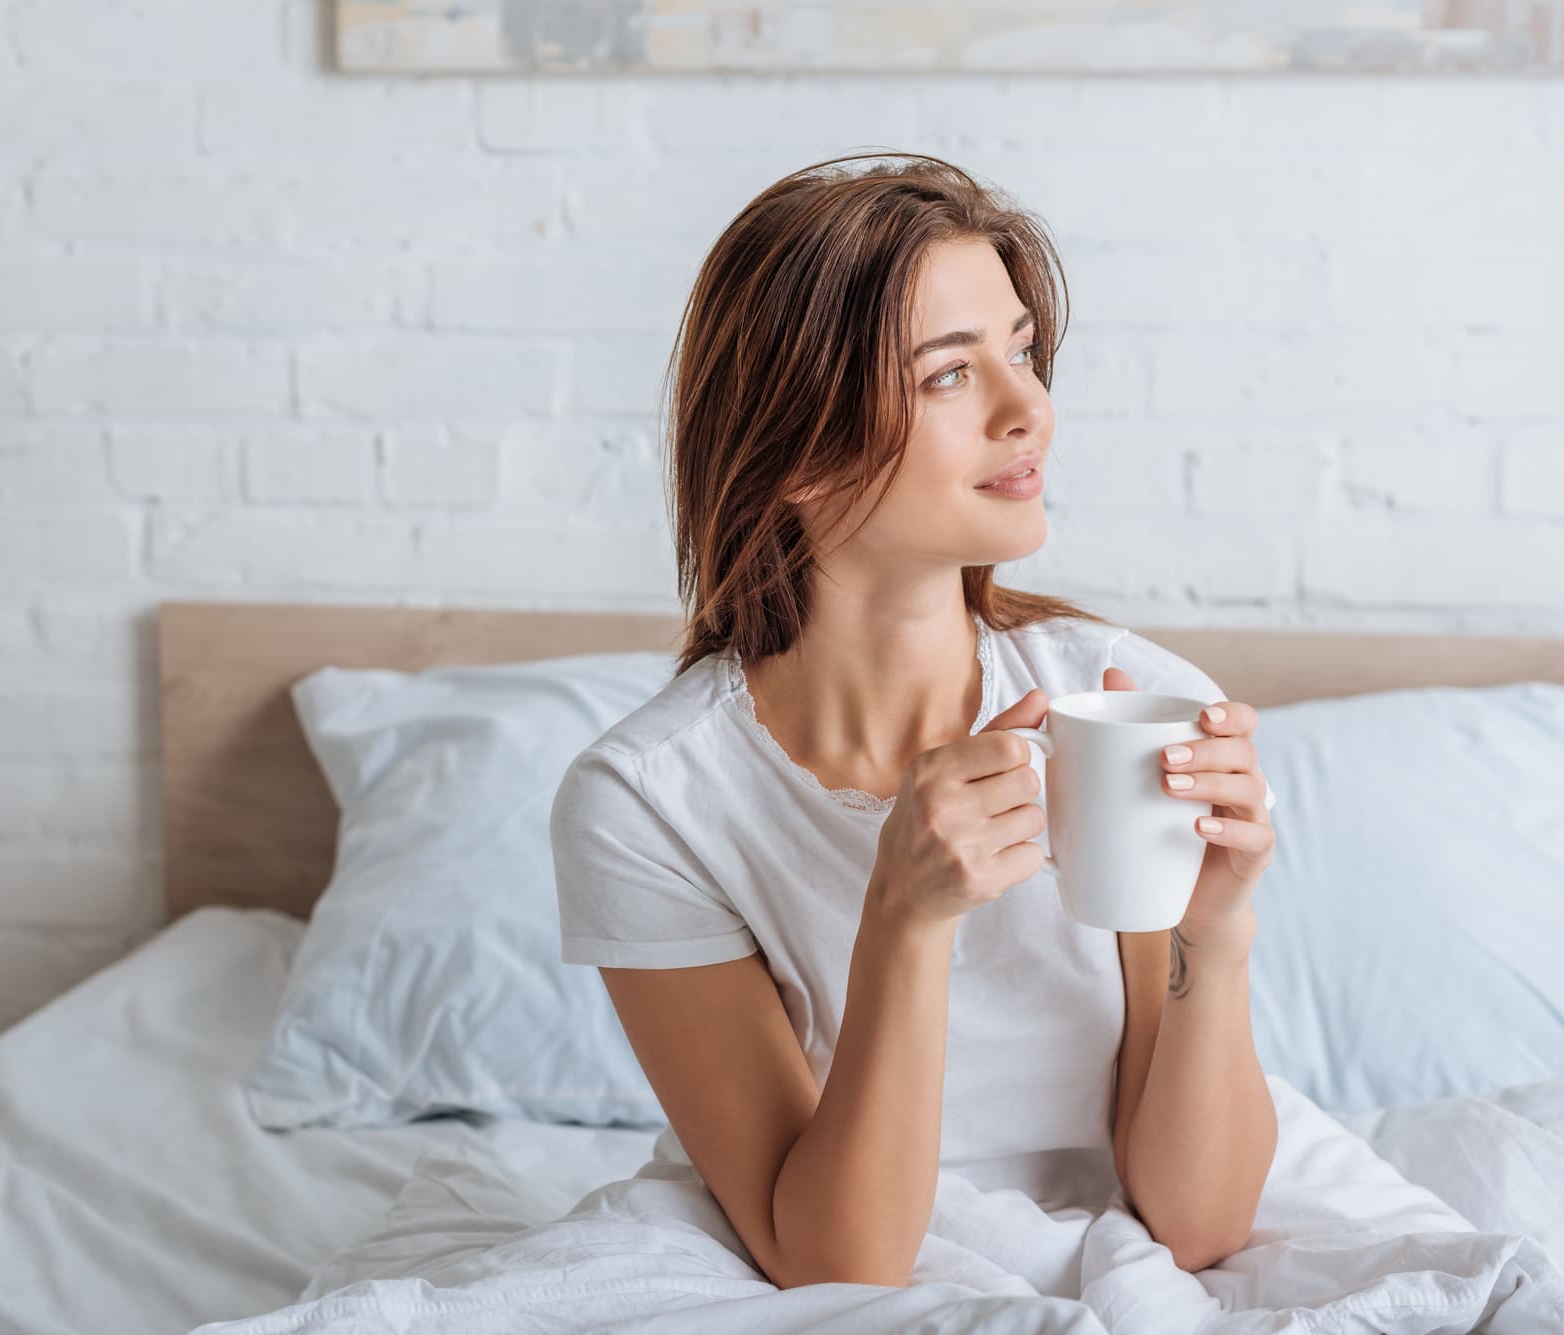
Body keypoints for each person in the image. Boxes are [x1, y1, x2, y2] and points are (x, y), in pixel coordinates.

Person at [549, 150, 1281, 1289]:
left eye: (1022, 351)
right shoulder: (648, 802)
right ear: (793, 447)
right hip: (841, 1240)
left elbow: (1195, 1229)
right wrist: (901, 917)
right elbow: (832, 1263)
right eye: (948, 375)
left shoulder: (1122, 700)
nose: (1025, 407)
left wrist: (1211, 932)